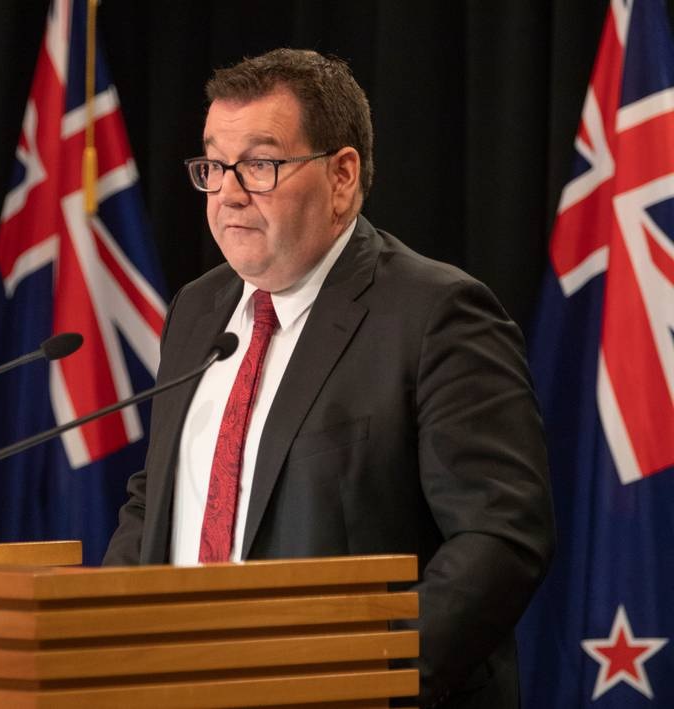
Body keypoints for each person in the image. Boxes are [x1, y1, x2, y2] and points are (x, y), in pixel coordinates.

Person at [103, 49, 554, 708]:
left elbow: (501, 536)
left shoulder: (435, 315)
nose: (228, 192)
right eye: (214, 166)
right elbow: (158, 500)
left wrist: (372, 675)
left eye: (259, 164)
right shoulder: (198, 311)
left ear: (342, 176)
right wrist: (104, 642)